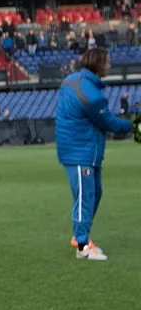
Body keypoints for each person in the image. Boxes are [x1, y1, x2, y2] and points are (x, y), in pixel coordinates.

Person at [54, 47, 133, 260]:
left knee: (95, 193)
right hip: (80, 150)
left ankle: (81, 235)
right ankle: (82, 247)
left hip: (84, 149)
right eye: (107, 61)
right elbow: (109, 123)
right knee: (85, 198)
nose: (110, 65)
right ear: (98, 64)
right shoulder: (92, 95)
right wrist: (134, 126)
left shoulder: (71, 81)